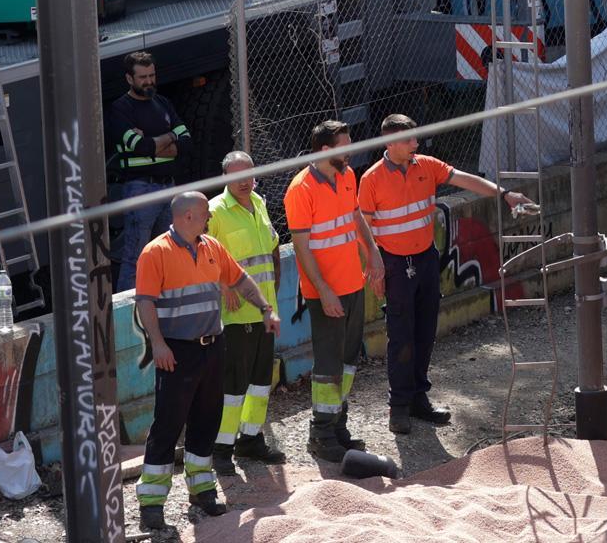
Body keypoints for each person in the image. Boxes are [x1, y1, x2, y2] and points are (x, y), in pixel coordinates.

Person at [360, 114, 531, 434]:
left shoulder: (427, 165)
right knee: (401, 335)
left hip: (426, 258)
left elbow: (466, 180)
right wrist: (375, 264)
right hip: (396, 264)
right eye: (409, 139)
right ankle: (398, 406)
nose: (416, 144)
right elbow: (363, 228)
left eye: (417, 138)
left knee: (425, 331)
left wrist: (505, 195)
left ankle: (418, 399)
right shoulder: (371, 179)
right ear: (389, 143)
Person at [133, 192, 279, 532]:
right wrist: (157, 344)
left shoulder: (212, 247)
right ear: (186, 217)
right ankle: (152, 504)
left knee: (206, 419)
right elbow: (145, 303)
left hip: (213, 346)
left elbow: (240, 279)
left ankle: (201, 489)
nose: (209, 219)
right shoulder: (155, 253)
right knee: (168, 424)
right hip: (177, 351)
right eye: (203, 215)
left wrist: (264, 308)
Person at [284, 119, 383, 462]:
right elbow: (302, 247)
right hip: (325, 292)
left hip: (352, 283)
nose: (351, 149)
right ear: (326, 151)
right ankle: (322, 434)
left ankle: (338, 427)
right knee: (328, 365)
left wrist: (373, 252)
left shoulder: (347, 175)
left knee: (348, 361)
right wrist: (323, 290)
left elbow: (355, 217)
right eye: (345, 144)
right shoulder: (301, 189)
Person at [207, 151, 288, 475]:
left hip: (265, 312)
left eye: (249, 174)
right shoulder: (215, 212)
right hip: (235, 317)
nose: (244, 181)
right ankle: (221, 449)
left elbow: (271, 248)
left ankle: (250, 439)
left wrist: (274, 297)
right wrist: (223, 285)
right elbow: (200, 256)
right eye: (237, 176)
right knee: (233, 386)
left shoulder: (259, 203)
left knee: (259, 382)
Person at [106, 51, 193, 292]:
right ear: (129, 79)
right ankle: (129, 314)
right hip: (140, 189)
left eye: (152, 75)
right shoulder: (120, 109)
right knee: (136, 256)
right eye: (142, 77)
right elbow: (140, 146)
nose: (149, 81)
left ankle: (162, 306)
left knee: (167, 254)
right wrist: (170, 138)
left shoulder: (163, 103)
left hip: (168, 188)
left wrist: (156, 143)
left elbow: (186, 143)